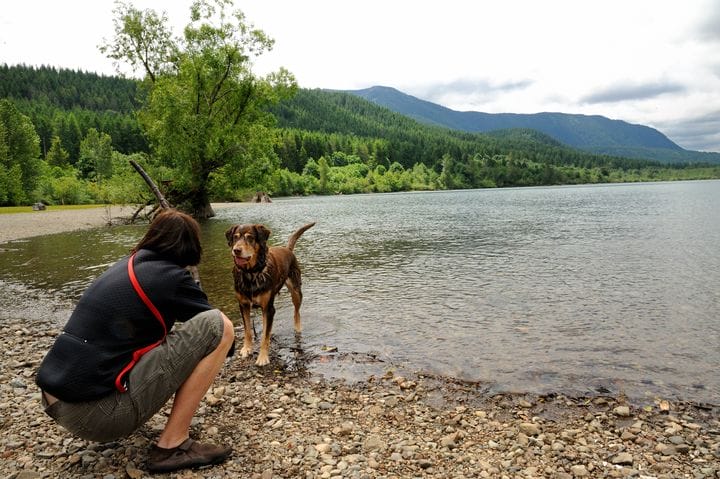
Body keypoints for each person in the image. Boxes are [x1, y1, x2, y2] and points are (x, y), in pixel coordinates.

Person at [35, 208, 236, 473]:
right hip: (95, 417)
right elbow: (220, 337)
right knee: (221, 325)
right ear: (190, 247)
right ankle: (172, 445)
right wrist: (193, 282)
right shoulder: (171, 278)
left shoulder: (125, 266)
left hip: (57, 401)